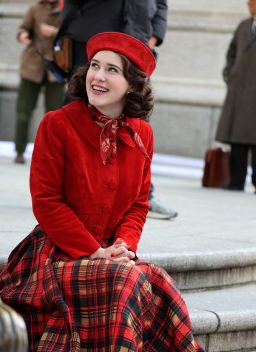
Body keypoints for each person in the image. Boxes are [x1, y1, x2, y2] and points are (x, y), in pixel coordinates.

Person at [0, 32, 248, 352]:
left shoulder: (142, 134)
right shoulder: (57, 124)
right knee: (126, 280)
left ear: (133, 84)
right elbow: (47, 203)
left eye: (112, 70)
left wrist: (123, 245)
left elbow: (137, 202)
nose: (98, 76)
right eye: (95, 66)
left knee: (155, 279)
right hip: (55, 256)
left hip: (112, 255)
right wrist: (95, 252)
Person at [58, 0, 178, 219]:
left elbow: (161, 4)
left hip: (137, 42)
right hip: (93, 35)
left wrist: (153, 37)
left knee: (134, 116)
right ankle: (67, 188)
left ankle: (141, 196)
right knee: (80, 111)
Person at [215, 0, 256, 194]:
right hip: (238, 89)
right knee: (236, 136)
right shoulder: (243, 25)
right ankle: (236, 180)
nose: (249, 2)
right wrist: (229, 74)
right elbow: (232, 52)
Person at [14, 0, 65, 164]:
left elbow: (71, 33)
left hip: (57, 67)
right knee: (23, 111)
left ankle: (51, 155)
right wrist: (23, 34)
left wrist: (55, 32)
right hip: (32, 65)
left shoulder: (67, 7)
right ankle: (19, 151)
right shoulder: (35, 8)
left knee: (55, 116)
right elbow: (23, 28)